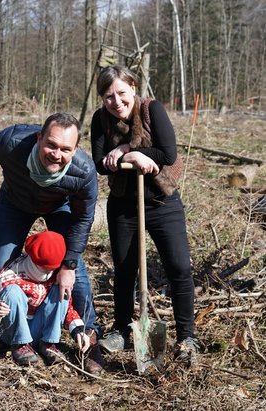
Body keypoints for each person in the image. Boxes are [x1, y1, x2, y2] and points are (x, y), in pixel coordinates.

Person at [0, 112, 104, 374]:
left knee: (76, 274)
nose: (56, 154)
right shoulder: (13, 141)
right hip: (15, 202)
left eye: (66, 149)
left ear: (75, 150)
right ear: (39, 138)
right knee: (1, 265)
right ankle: (3, 327)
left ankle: (89, 336)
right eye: (51, 145)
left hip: (59, 205)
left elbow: (83, 219)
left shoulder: (84, 171)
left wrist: (68, 265)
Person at [90, 65, 198, 365]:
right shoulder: (100, 120)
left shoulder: (152, 110)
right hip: (124, 206)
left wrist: (134, 150)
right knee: (125, 271)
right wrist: (125, 152)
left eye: (122, 93)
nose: (117, 102)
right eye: (109, 96)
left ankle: (187, 336)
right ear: (102, 98)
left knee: (179, 268)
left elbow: (168, 153)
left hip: (163, 204)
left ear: (133, 88)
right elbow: (100, 163)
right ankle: (122, 329)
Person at [0, 230, 91, 366]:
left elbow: (66, 307)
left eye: (51, 270)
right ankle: (20, 345)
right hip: (12, 329)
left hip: (40, 327)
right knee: (12, 291)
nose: (48, 273)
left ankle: (48, 342)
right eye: (44, 269)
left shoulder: (55, 277)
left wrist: (77, 329)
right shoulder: (10, 275)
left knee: (61, 289)